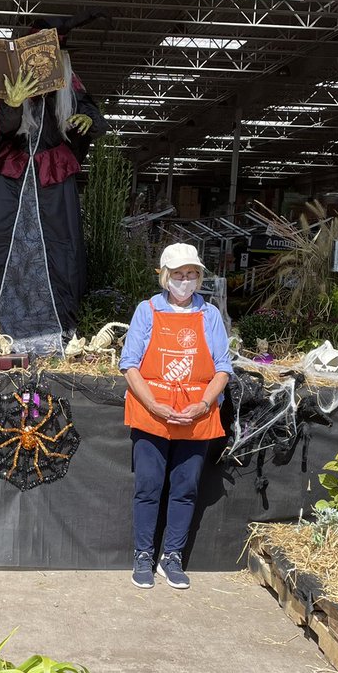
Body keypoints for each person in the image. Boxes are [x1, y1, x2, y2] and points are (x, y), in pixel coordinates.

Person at [0, 10, 110, 356]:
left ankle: (53, 329)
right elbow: (1, 130)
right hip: (14, 178)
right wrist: (13, 104)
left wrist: (85, 120)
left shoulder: (71, 87)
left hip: (52, 180)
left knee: (60, 248)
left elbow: (96, 117)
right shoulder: (8, 89)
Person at [118, 244, 233, 589]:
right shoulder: (147, 311)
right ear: (165, 276)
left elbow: (223, 367)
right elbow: (129, 364)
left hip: (195, 416)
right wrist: (153, 404)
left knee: (185, 488)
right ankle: (143, 554)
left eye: (192, 274)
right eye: (179, 274)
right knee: (148, 487)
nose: (186, 280)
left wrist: (204, 404)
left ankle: (172, 556)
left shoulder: (210, 315)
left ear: (199, 277)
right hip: (151, 413)